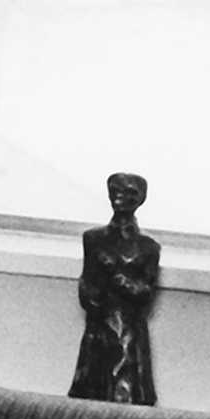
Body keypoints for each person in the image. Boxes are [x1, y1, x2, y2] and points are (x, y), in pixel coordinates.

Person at [70, 170, 160, 404]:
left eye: (130, 192)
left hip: (128, 336)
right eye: (116, 190)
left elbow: (144, 293)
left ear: (141, 199)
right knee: (87, 403)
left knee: (127, 403)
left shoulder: (149, 248)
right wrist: (92, 295)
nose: (121, 197)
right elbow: (86, 287)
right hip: (98, 333)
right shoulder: (92, 239)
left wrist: (118, 276)